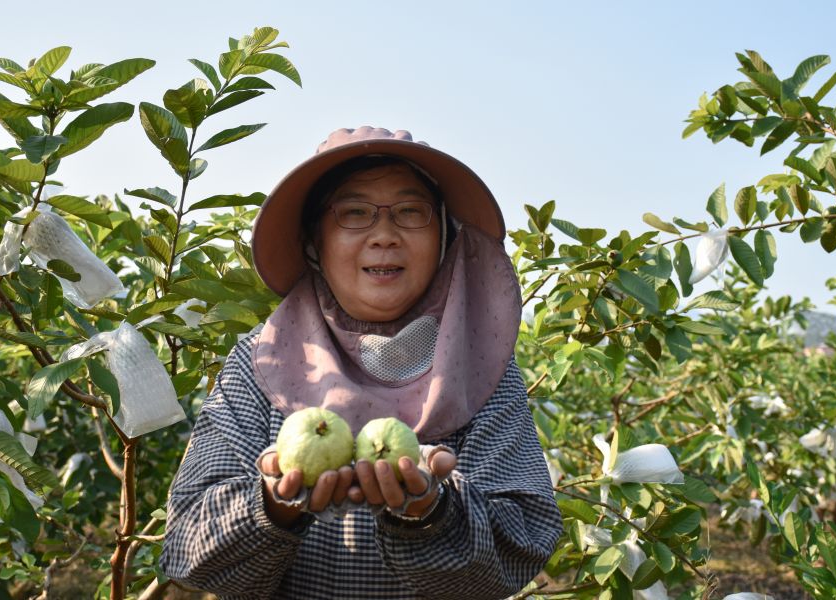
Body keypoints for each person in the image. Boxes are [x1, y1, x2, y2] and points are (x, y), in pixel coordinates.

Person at [160, 127, 562, 599]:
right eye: (354, 213)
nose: (385, 236)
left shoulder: (481, 366)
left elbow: (524, 543)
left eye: (411, 212)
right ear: (314, 243)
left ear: (444, 240)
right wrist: (273, 504)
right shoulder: (262, 360)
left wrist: (433, 510)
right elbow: (187, 546)